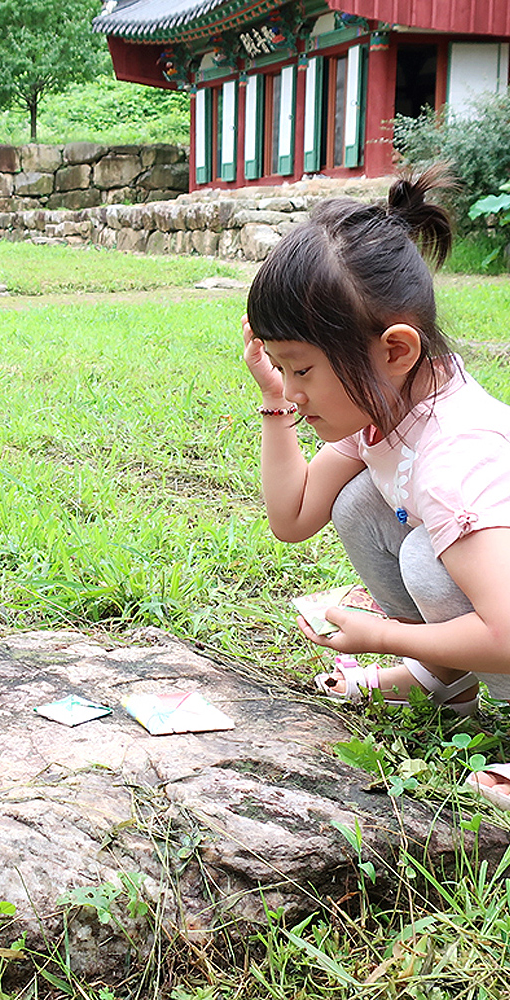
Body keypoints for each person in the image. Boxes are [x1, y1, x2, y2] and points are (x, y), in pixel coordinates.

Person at [242, 167, 510, 810]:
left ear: (394, 350)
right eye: (282, 367)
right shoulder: (390, 406)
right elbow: (295, 515)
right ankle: (441, 681)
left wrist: (380, 634)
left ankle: (430, 667)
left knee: (427, 555)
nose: (295, 387)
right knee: (361, 502)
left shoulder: (455, 457)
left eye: (302, 368)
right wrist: (276, 402)